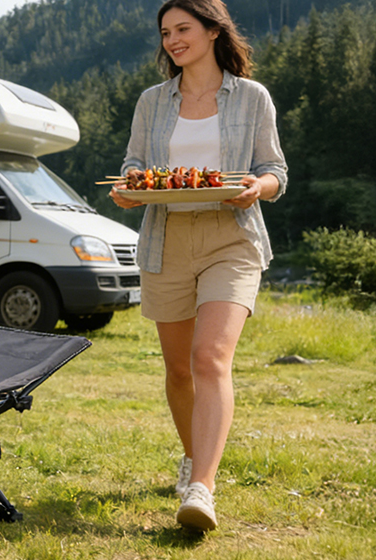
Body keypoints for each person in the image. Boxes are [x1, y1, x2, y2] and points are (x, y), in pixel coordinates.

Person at [109, 0, 287, 531]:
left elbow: (273, 170)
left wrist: (258, 187)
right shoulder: (152, 102)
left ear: (213, 32)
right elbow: (134, 167)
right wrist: (129, 188)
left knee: (210, 357)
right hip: (166, 236)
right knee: (180, 368)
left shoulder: (251, 96)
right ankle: (194, 455)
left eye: (183, 29)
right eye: (166, 32)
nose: (173, 40)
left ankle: (202, 487)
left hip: (231, 237)